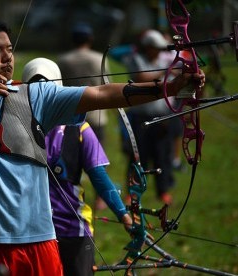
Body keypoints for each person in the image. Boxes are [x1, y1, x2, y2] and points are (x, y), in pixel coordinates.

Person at [0, 16, 204, 275]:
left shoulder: (35, 96)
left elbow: (103, 94)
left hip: (39, 242)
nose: (7, 57)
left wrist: (168, 86)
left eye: (9, 49)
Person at [22, 57, 133, 276]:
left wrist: (124, 215)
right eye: (35, 88)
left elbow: (99, 177)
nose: (41, 95)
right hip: (28, 231)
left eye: (48, 88)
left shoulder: (79, 128)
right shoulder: (13, 126)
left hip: (72, 229)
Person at [122, 29, 181, 204]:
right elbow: (141, 78)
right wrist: (165, 71)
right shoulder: (136, 59)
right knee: (138, 157)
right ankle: (133, 191)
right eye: (156, 47)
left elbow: (179, 72)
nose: (160, 51)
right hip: (140, 118)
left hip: (162, 117)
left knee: (162, 154)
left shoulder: (166, 60)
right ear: (148, 47)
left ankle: (162, 191)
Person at [57, 22, 110, 211]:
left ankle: (66, 197)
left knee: (69, 160)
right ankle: (101, 199)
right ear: (90, 39)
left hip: (70, 116)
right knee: (98, 161)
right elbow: (107, 85)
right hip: (96, 115)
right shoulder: (98, 59)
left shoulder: (63, 60)